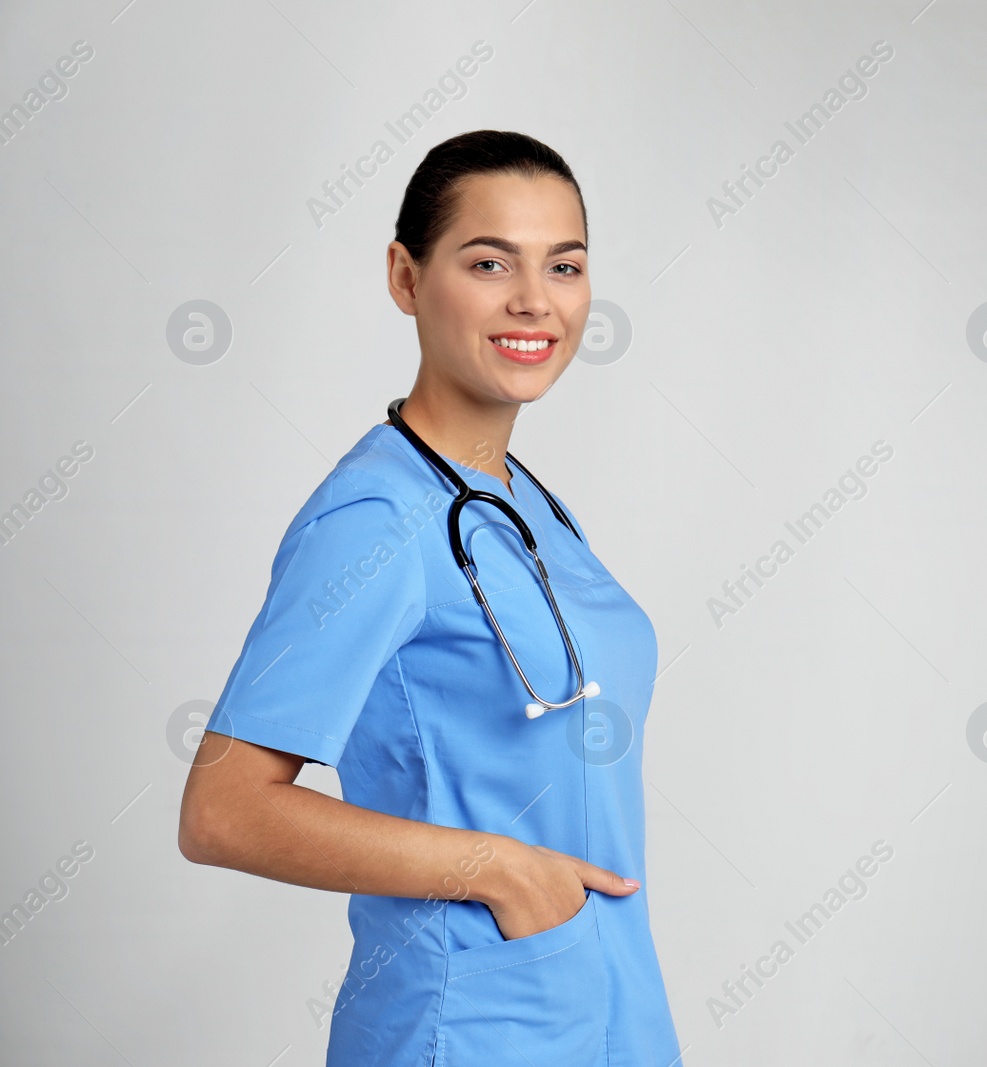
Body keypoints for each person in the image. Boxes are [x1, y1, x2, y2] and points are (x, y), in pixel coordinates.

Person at [178, 129, 682, 1066]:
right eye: (489, 262)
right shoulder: (377, 516)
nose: (534, 300)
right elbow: (224, 809)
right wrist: (502, 872)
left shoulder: (519, 500)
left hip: (603, 1005)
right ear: (406, 278)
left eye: (564, 265)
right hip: (471, 1020)